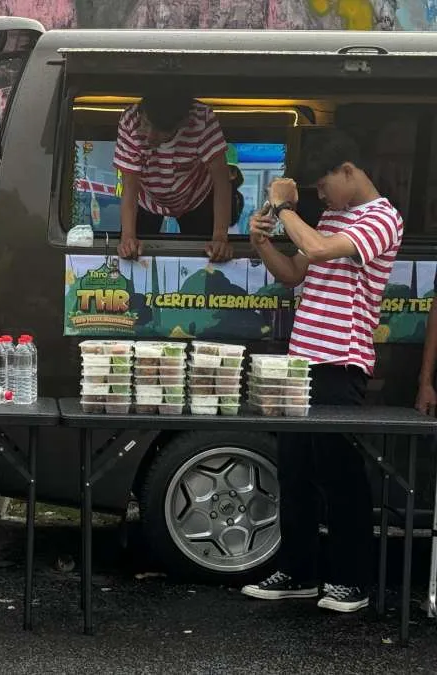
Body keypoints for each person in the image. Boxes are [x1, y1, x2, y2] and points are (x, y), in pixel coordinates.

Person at [241, 129, 403, 613]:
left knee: (340, 473)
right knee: (295, 470)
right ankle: (299, 571)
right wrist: (261, 241)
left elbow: (317, 251)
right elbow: (294, 272)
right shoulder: (333, 216)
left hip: (340, 361)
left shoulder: (382, 217)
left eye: (323, 184)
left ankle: (352, 580)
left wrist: (284, 207)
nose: (320, 194)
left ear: (349, 170)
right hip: (300, 360)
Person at [114, 92, 234, 263]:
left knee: (211, 255)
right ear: (142, 112)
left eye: (162, 132)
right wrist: (127, 237)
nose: (150, 137)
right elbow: (129, 185)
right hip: (145, 199)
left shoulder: (202, 119)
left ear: (183, 122)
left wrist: (220, 237)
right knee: (130, 251)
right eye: (146, 124)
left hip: (196, 195)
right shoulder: (130, 121)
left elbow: (222, 181)